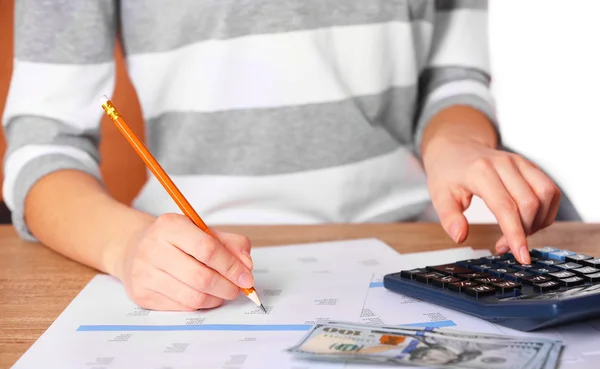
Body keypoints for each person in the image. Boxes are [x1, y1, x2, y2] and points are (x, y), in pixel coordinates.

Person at [2, 0, 560, 311]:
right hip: (184, 263)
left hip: (415, 254)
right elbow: (42, 146)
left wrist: (455, 142)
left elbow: (451, 78)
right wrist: (127, 247)